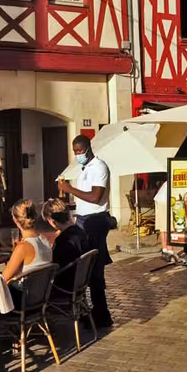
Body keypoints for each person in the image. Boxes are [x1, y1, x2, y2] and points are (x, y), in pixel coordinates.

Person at [57, 134, 113, 328]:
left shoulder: (99, 167)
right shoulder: (84, 168)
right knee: (85, 268)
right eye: (75, 152)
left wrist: (70, 188)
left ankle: (102, 315)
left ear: (88, 149)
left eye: (80, 151)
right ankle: (88, 309)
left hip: (95, 221)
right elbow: (83, 198)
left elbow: (95, 197)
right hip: (83, 219)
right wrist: (67, 200)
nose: (77, 154)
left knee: (94, 268)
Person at [42, 198, 88, 292]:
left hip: (64, 286)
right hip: (80, 282)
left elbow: (53, 266)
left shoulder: (64, 240)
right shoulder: (80, 232)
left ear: (52, 221)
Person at [1, 199, 53, 281]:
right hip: (42, 291)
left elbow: (3, 279)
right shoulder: (44, 240)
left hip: (24, 292)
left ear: (15, 220)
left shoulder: (23, 247)